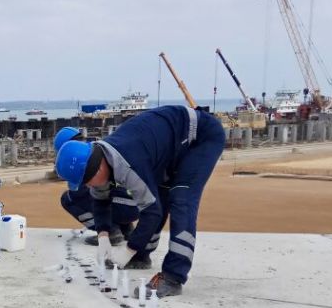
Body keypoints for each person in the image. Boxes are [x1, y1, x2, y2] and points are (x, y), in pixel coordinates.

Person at [54, 106, 225, 297]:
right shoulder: (101, 158)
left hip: (200, 137)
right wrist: (103, 235)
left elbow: (152, 212)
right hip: (169, 148)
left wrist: (129, 249)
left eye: (86, 181)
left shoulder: (128, 164)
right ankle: (142, 256)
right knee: (159, 195)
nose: (87, 186)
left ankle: (173, 276)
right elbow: (100, 201)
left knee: (181, 199)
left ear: (97, 169)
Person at [53, 127, 139, 251]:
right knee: (104, 191)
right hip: (136, 206)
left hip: (125, 206)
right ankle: (126, 228)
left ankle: (110, 231)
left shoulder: (86, 165)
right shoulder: (101, 151)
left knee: (69, 198)